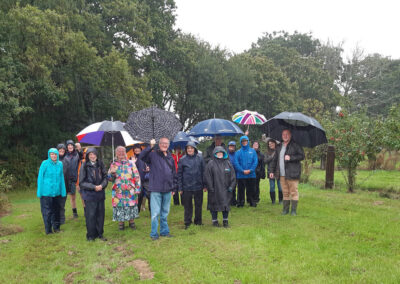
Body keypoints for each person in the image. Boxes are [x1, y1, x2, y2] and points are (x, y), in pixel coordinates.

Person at [139, 137, 176, 240]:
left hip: (168, 189)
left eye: (166, 143)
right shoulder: (152, 154)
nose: (164, 145)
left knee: (165, 212)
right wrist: (150, 146)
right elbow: (141, 156)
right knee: (155, 213)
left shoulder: (170, 157)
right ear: (159, 144)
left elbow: (173, 173)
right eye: (162, 143)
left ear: (168, 145)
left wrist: (174, 187)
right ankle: (154, 234)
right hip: (156, 188)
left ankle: (164, 232)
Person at [270, 129, 305, 215]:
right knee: (285, 192)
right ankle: (285, 210)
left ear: (290, 135)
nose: (285, 136)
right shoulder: (279, 146)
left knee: (293, 192)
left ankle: (293, 211)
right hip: (281, 174)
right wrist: (271, 171)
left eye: (287, 134)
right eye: (283, 134)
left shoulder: (295, 145)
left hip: (292, 173)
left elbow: (302, 156)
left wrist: (291, 158)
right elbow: (275, 160)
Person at [108, 146, 141, 230]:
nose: (121, 153)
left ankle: (131, 222)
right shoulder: (113, 164)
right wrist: (111, 174)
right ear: (116, 153)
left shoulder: (131, 163)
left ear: (125, 152)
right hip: (118, 190)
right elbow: (110, 179)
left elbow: (136, 176)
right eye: (119, 151)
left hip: (130, 189)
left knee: (131, 205)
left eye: (123, 151)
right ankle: (121, 223)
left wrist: (137, 188)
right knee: (120, 205)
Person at [79, 148, 108, 241]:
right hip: (89, 195)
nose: (92, 156)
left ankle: (100, 234)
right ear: (87, 156)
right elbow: (82, 182)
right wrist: (93, 187)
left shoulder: (100, 164)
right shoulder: (84, 165)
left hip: (100, 194)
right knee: (91, 216)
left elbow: (105, 177)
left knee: (100, 215)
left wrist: (102, 185)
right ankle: (91, 236)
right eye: (90, 154)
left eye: (94, 154)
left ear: (96, 155)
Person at [204, 146, 236, 227]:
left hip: (226, 190)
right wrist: (210, 188)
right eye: (218, 153)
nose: (219, 154)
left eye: (221, 153)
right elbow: (207, 177)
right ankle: (215, 221)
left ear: (224, 154)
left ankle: (225, 221)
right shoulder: (210, 164)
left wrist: (231, 187)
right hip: (215, 190)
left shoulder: (228, 163)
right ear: (214, 154)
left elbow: (233, 176)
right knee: (214, 205)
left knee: (226, 205)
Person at [37, 148, 66, 234]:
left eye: (55, 154)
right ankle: (48, 230)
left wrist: (62, 191)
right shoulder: (44, 163)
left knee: (57, 211)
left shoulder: (60, 164)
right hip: (46, 193)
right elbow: (40, 178)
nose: (53, 156)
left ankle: (56, 228)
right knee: (47, 211)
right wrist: (40, 191)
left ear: (57, 155)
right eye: (52, 154)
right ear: (49, 155)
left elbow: (61, 178)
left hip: (56, 192)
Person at [177, 141, 206, 229]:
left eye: (191, 148)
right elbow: (179, 174)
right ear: (186, 150)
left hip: (198, 186)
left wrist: (205, 185)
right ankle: (187, 222)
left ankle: (198, 221)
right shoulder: (182, 160)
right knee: (187, 206)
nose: (190, 150)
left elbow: (203, 172)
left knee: (198, 205)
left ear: (195, 149)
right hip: (186, 187)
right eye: (188, 148)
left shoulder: (200, 158)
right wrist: (180, 188)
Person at [234, 135, 258, 207]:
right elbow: (236, 163)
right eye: (243, 141)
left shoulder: (253, 151)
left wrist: (250, 170)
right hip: (241, 175)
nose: (244, 142)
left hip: (251, 174)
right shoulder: (238, 152)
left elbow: (255, 161)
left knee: (251, 189)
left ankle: (252, 202)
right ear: (241, 142)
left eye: (245, 141)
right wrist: (242, 171)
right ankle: (240, 202)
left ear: (248, 141)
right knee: (241, 190)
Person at [263, 137, 283, 204]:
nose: (270, 145)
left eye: (271, 143)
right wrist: (271, 157)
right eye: (269, 144)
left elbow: (281, 144)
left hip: (279, 171)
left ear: (275, 143)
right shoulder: (267, 152)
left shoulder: (279, 150)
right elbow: (265, 161)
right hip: (270, 171)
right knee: (272, 187)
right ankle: (273, 201)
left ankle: (280, 201)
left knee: (280, 187)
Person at [64, 140, 80, 218]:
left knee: (82, 195)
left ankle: (86, 210)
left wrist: (79, 149)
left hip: (78, 178)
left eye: (71, 145)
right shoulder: (65, 156)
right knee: (72, 196)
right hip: (69, 179)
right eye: (68, 145)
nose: (70, 146)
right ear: (67, 147)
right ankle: (74, 212)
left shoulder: (77, 154)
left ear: (73, 146)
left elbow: (83, 157)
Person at [133, 145, 150, 213]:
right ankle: (137, 211)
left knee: (149, 195)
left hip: (146, 179)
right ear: (133, 150)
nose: (137, 150)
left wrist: (148, 168)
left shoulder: (144, 157)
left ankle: (151, 211)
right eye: (135, 149)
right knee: (138, 196)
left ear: (141, 149)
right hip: (137, 180)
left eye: (138, 149)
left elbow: (149, 164)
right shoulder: (132, 158)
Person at [56, 143, 69, 225]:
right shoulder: (54, 160)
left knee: (62, 203)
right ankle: (56, 218)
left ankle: (62, 219)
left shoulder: (66, 160)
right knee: (55, 203)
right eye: (60, 150)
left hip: (64, 185)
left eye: (63, 150)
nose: (61, 151)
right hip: (55, 185)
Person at [227, 141, 238, 206]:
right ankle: (228, 201)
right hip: (227, 174)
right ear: (228, 147)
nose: (232, 148)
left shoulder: (236, 154)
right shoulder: (226, 154)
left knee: (233, 188)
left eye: (233, 146)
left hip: (235, 173)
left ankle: (233, 201)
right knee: (227, 188)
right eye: (230, 146)